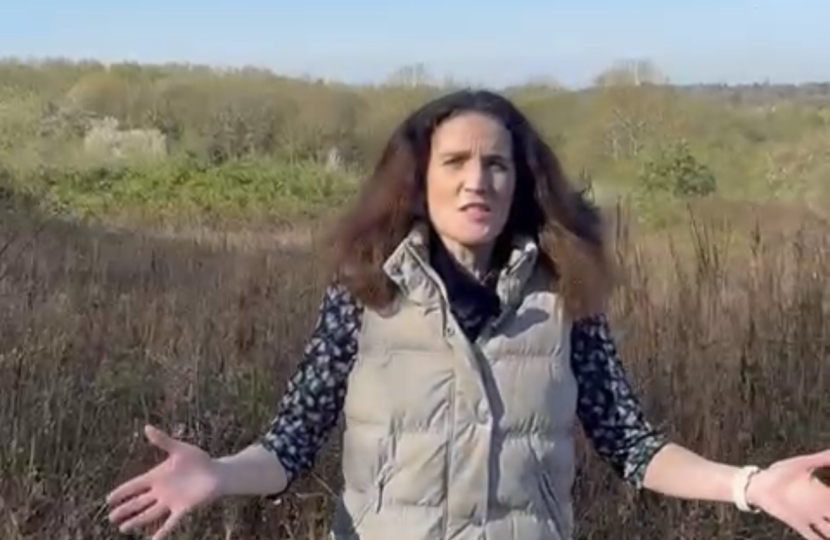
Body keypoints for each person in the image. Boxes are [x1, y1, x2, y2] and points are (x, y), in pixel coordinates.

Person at [105, 89, 830, 540]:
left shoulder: (563, 298)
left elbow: (634, 447)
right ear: (419, 181)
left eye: (496, 164)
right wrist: (221, 475)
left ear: (520, 183)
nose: (475, 180)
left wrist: (751, 485)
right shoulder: (363, 293)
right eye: (454, 161)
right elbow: (290, 445)